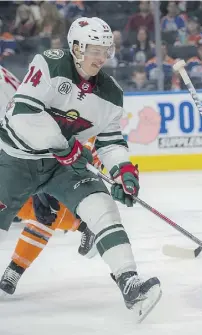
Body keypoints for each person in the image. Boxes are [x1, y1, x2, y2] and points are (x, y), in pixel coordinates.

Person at [0, 17, 161, 321]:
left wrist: (123, 171)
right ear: (75, 47)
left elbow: (110, 141)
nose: (99, 58)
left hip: (60, 164)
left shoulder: (111, 94)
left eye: (105, 50)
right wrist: (63, 144)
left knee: (102, 206)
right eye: (93, 49)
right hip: (16, 157)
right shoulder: (50, 64)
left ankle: (130, 282)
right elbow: (24, 114)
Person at [0, 64, 98, 296]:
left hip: (52, 153)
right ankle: (82, 224)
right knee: (33, 207)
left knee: (46, 212)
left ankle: (16, 268)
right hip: (27, 148)